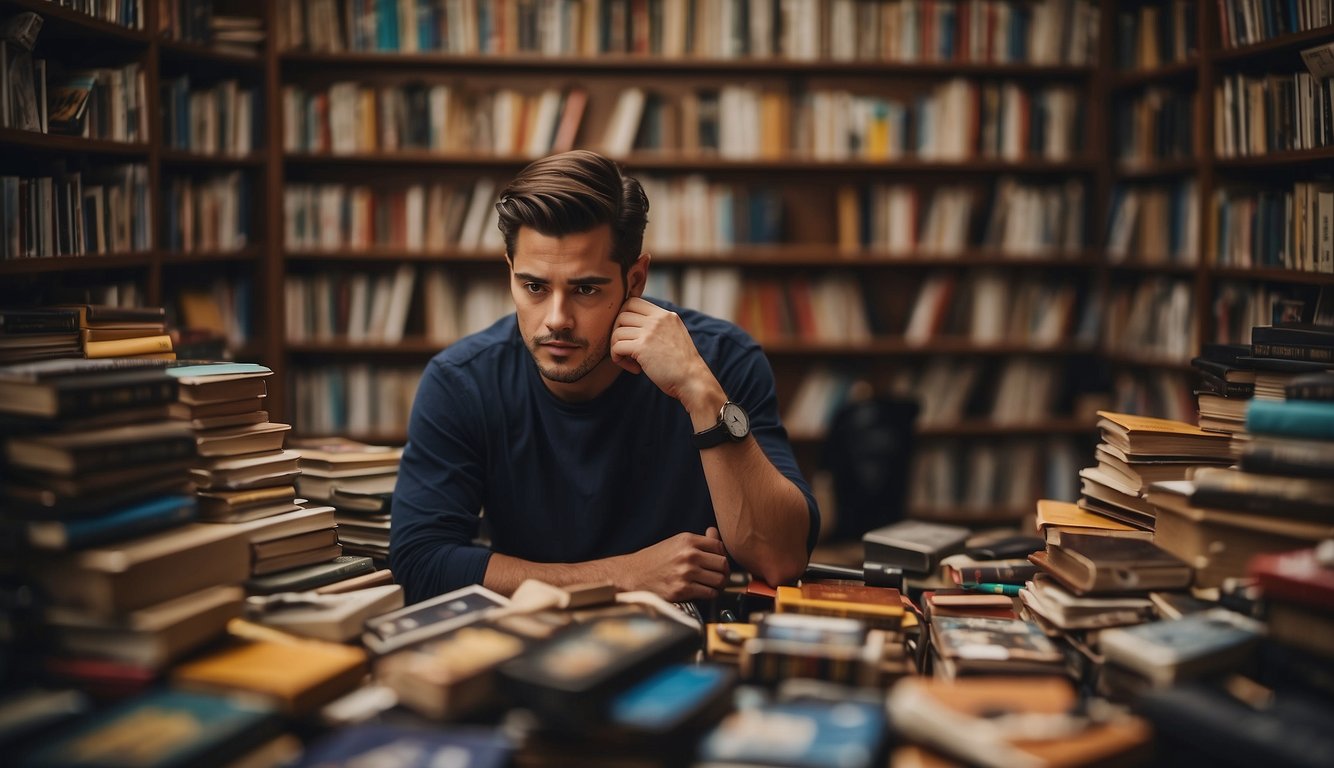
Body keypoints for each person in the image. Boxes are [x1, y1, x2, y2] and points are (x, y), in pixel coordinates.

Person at [390, 150, 818, 606]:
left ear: (635, 281)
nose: (556, 320)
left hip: (686, 652)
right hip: (529, 642)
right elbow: (421, 563)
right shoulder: (461, 382)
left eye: (586, 289)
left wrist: (701, 393)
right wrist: (624, 576)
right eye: (534, 286)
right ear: (510, 273)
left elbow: (781, 559)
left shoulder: (722, 361)